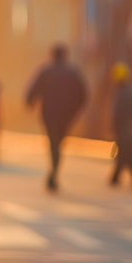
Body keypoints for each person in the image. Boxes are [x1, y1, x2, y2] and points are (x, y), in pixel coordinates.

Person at [25, 44, 88, 192]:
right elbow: (83, 95)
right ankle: (54, 172)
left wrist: (30, 103)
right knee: (58, 143)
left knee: (54, 144)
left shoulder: (46, 72)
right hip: (66, 116)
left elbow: (33, 90)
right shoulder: (73, 73)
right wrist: (75, 112)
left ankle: (53, 173)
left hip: (49, 114)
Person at [108, 62, 132, 189]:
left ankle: (116, 178)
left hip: (125, 127)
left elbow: (118, 111)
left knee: (125, 153)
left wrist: (114, 126)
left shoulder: (122, 92)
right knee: (129, 153)